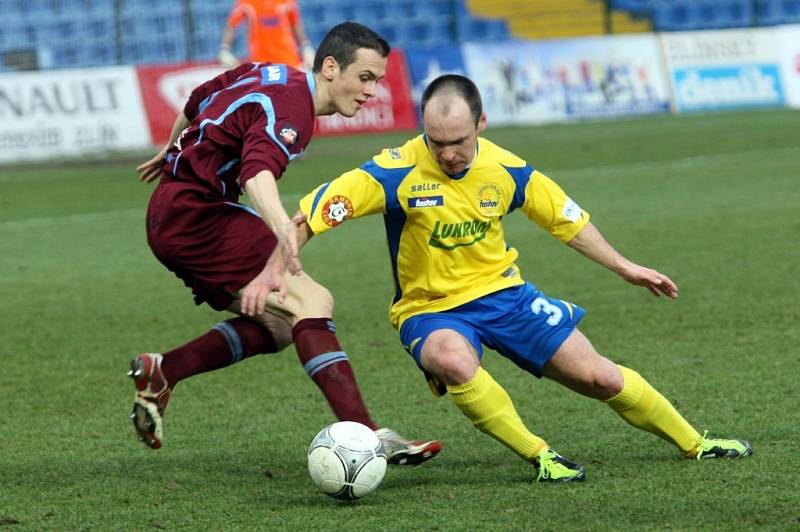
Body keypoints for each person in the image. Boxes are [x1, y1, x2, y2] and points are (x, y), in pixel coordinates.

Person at [286, 74, 752, 483]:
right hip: (428, 309)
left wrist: (625, 266)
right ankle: (542, 456)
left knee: (600, 377)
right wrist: (280, 267)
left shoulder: (505, 168)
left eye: (459, 141)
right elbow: (310, 213)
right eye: (436, 142)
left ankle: (695, 442)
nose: (447, 154)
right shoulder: (395, 169)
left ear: (481, 125)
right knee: (452, 359)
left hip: (506, 296)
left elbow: (566, 220)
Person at [131, 22, 442, 466]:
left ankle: (165, 371)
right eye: (366, 78)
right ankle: (367, 437)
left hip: (176, 211)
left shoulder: (271, 72)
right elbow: (256, 173)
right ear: (331, 67)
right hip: (198, 216)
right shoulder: (294, 109)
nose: (371, 91)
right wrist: (281, 229)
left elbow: (198, 96)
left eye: (377, 80)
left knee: (278, 327)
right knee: (313, 301)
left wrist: (172, 148)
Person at [218, 0, 315, 71]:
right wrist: (224, 49)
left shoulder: (286, 2)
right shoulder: (246, 2)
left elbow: (295, 23)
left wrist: (305, 46)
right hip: (261, 64)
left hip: (289, 60)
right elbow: (231, 25)